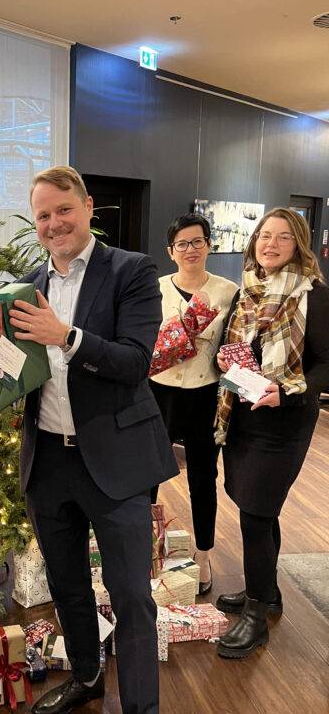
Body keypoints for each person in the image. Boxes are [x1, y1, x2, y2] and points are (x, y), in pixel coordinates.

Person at [9, 167, 181, 714]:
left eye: (63, 210)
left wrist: (68, 337)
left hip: (116, 463)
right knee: (67, 585)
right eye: (43, 216)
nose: (53, 224)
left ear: (87, 207)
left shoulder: (131, 271)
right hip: (48, 461)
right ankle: (85, 676)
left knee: (132, 597)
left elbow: (136, 361)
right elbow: (18, 366)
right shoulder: (28, 284)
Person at [214, 207, 329, 658]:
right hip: (243, 416)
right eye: (264, 235)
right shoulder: (247, 291)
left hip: (284, 423)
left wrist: (288, 391)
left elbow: (326, 366)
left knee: (256, 515)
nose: (271, 244)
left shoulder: (314, 296)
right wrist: (224, 360)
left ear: (298, 244)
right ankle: (269, 592)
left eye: (283, 237)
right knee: (257, 507)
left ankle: (256, 616)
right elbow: (236, 348)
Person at [150, 213, 237, 594]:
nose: (190, 249)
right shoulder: (155, 289)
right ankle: (147, 550)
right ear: (171, 251)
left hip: (205, 393)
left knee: (203, 479)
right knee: (149, 475)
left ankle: (203, 555)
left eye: (197, 241)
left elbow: (236, 343)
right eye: (182, 244)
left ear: (209, 245)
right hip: (160, 392)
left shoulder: (227, 291)